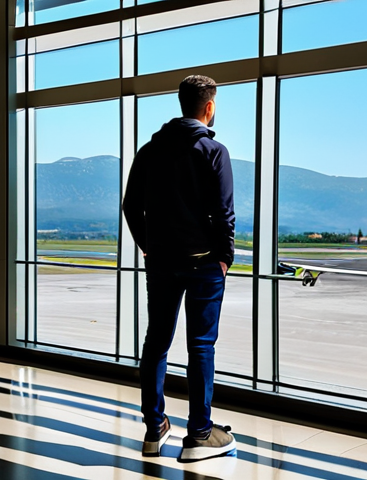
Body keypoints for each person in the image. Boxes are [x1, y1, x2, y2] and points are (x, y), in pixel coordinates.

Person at [122, 75, 236, 463]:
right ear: (208, 107)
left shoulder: (149, 151)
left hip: (162, 263)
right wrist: (225, 258)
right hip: (204, 264)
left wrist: (149, 247)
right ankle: (199, 435)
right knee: (201, 346)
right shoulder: (213, 150)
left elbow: (130, 207)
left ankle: (154, 429)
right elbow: (224, 212)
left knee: (156, 343)